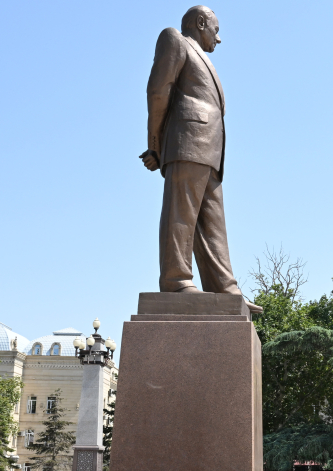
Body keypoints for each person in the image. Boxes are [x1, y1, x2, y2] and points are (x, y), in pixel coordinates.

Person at [140, 6, 261, 313]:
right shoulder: (175, 40)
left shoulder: (202, 56)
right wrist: (155, 144)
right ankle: (175, 279)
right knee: (181, 213)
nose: (218, 40)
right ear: (201, 22)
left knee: (213, 223)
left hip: (210, 150)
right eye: (216, 31)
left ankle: (225, 287)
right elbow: (158, 92)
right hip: (186, 141)